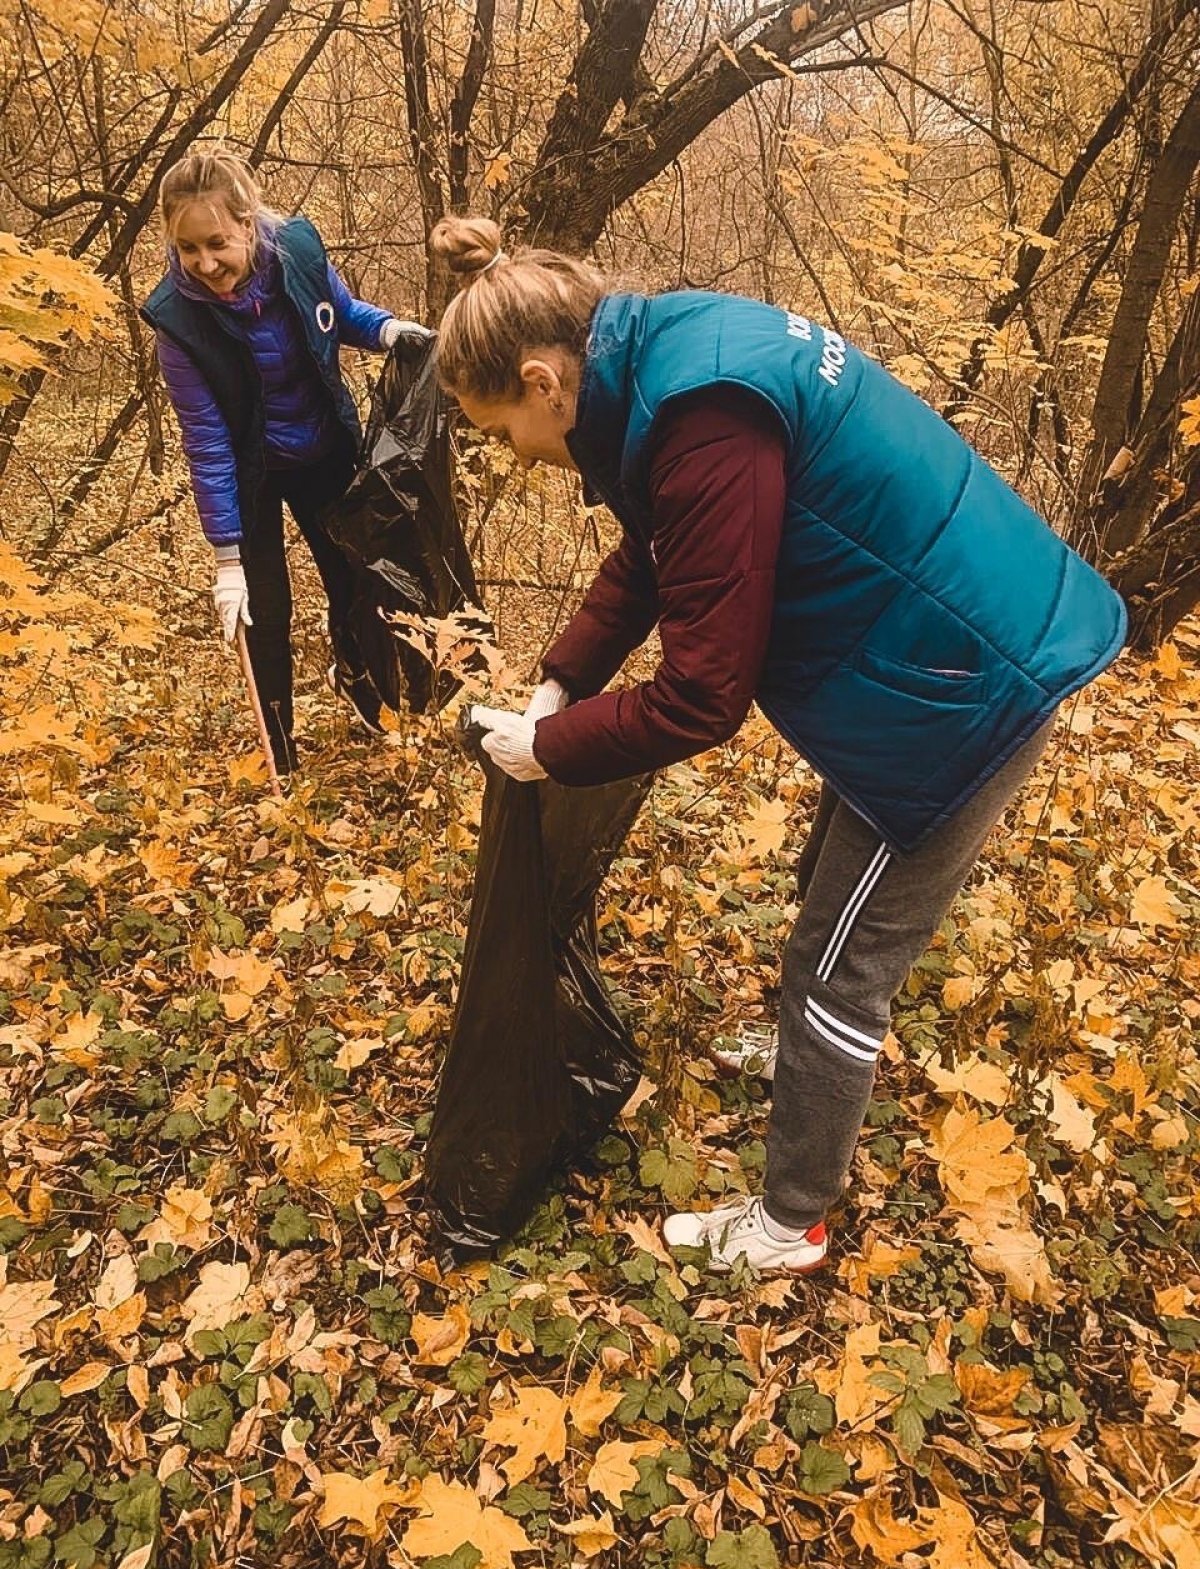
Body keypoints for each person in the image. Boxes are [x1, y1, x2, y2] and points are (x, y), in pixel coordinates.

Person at [431, 215, 1126, 1275]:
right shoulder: (668, 348)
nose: (513, 454)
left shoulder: (700, 416)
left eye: (498, 430)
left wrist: (556, 747)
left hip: (969, 682)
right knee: (825, 901)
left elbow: (704, 697)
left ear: (541, 380)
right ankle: (807, 1060)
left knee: (839, 967)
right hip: (938, 642)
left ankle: (790, 1221)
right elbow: (657, 550)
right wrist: (565, 675)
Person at [141, 146, 424, 774]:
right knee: (265, 612)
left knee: (357, 580)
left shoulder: (297, 251)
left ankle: (362, 684)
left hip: (326, 449)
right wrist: (226, 558)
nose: (205, 263)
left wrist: (387, 331)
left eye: (217, 242)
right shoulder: (178, 322)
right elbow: (206, 440)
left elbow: (341, 314)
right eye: (189, 249)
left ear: (247, 222)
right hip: (252, 471)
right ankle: (282, 756)